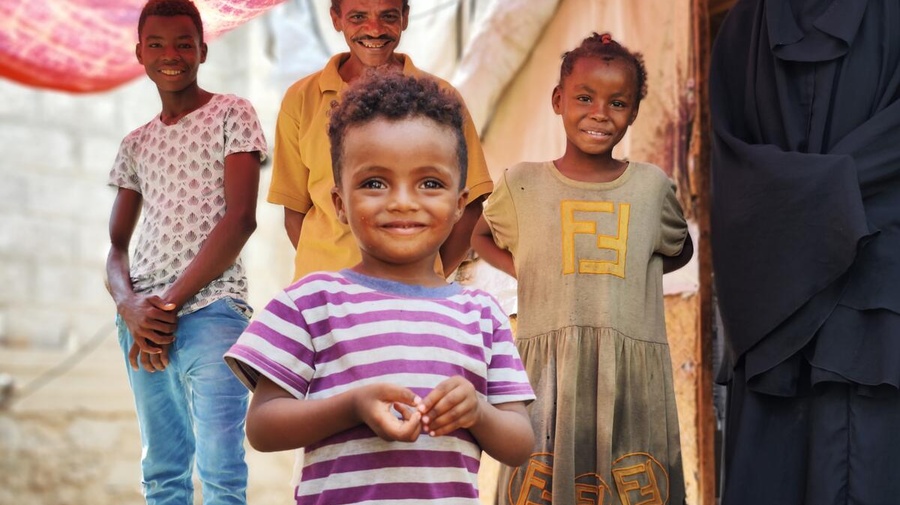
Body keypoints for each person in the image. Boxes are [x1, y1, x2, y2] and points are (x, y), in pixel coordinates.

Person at [224, 72, 535, 505]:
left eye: (430, 183)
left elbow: (519, 444)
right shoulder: (309, 303)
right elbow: (262, 428)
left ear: (460, 203)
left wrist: (478, 412)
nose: (402, 201)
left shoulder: (482, 315)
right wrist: (350, 407)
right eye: (375, 183)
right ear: (340, 204)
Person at [472, 32, 693, 504]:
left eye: (618, 103)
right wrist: (532, 269)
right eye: (585, 98)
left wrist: (634, 276)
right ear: (558, 100)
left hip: (628, 375)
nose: (600, 113)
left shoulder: (652, 188)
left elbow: (680, 249)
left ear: (634, 112)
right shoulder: (522, 183)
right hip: (549, 372)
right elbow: (480, 236)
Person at [709, 1, 900, 504]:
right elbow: (729, 156)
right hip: (808, 288)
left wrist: (800, 194)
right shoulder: (746, 27)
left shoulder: (744, 25)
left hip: (852, 286)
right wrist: (835, 186)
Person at [104, 0, 268, 503]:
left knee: (221, 473)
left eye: (183, 43)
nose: (170, 54)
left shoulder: (232, 113)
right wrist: (130, 306)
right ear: (140, 53)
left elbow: (241, 219)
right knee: (162, 473)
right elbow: (116, 247)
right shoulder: (136, 144)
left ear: (202, 50)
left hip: (212, 312)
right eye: (156, 44)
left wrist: (167, 305)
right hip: (142, 325)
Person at [268, 0, 493, 282]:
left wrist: (424, 277)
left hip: (412, 290)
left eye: (388, 16)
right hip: (325, 292)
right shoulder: (301, 99)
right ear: (336, 18)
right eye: (358, 17)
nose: (374, 30)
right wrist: (327, 277)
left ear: (405, 17)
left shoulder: (440, 98)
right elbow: (295, 212)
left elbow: (470, 207)